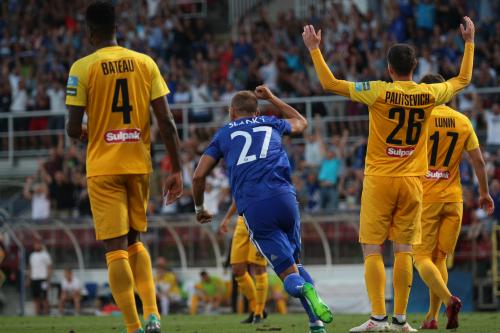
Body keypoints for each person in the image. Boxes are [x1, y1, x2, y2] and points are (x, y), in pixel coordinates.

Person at [303, 16, 475, 332]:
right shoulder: (429, 94)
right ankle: (401, 320)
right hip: (413, 182)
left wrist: (315, 50)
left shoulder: (378, 91)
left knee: (372, 248)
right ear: (414, 66)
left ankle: (378, 318)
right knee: (405, 251)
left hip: (380, 180)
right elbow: (463, 79)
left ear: (389, 68)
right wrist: (469, 43)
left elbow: (330, 84)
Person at [65, 2, 183, 333]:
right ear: (117, 28)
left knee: (115, 250)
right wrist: (176, 169)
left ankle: (133, 327)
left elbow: (73, 129)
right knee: (136, 241)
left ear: (90, 32)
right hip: (138, 163)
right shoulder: (145, 63)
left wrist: (93, 132)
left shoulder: (81, 67)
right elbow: (167, 122)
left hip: (103, 167)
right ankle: (153, 314)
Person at [192, 85, 332, 333]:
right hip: (286, 199)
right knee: (296, 264)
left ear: (231, 112)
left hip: (256, 207)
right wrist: (272, 98)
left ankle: (304, 290)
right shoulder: (271, 122)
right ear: (256, 112)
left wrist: (200, 207)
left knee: (288, 276)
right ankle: (316, 323)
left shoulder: (224, 134)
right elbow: (301, 121)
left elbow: (198, 176)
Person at [414, 73, 495, 329]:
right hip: (454, 200)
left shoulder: (420, 119)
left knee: (420, 259)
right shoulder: (463, 121)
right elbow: (479, 162)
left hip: (428, 199)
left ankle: (449, 301)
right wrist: (483, 193)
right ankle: (432, 317)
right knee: (439, 259)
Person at [219, 200, 268, 324]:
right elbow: (237, 197)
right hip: (242, 221)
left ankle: (258, 312)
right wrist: (227, 218)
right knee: (237, 269)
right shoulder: (238, 179)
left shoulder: (264, 180)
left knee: (259, 267)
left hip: (260, 220)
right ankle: (255, 308)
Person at [28, 241, 52, 315]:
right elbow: (30, 268)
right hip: (34, 279)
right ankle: (37, 315)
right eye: (35, 244)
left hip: (43, 279)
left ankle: (46, 314)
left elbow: (49, 267)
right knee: (36, 298)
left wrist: (48, 279)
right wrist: (29, 278)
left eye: (38, 244)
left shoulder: (45, 255)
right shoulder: (32, 255)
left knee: (44, 297)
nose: (37, 246)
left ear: (41, 245)